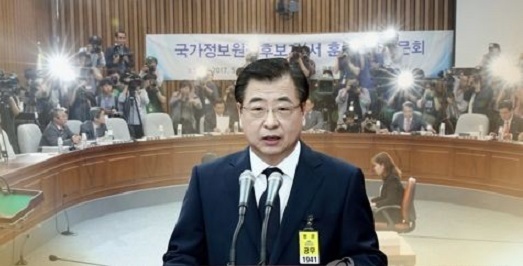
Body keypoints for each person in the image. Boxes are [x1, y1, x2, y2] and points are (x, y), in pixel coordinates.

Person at [163, 58, 386, 265]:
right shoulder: (207, 181)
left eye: (283, 108)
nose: (270, 122)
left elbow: (368, 257)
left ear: (303, 111)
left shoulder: (342, 181)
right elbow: (181, 256)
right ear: (241, 113)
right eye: (258, 109)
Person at [370, 152, 405, 224]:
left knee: (359, 216)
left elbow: (391, 199)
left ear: (383, 165)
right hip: (389, 213)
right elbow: (385, 197)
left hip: (390, 216)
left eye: (376, 165)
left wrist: (376, 204)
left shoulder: (392, 180)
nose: (374, 168)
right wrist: (372, 201)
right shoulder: (390, 178)